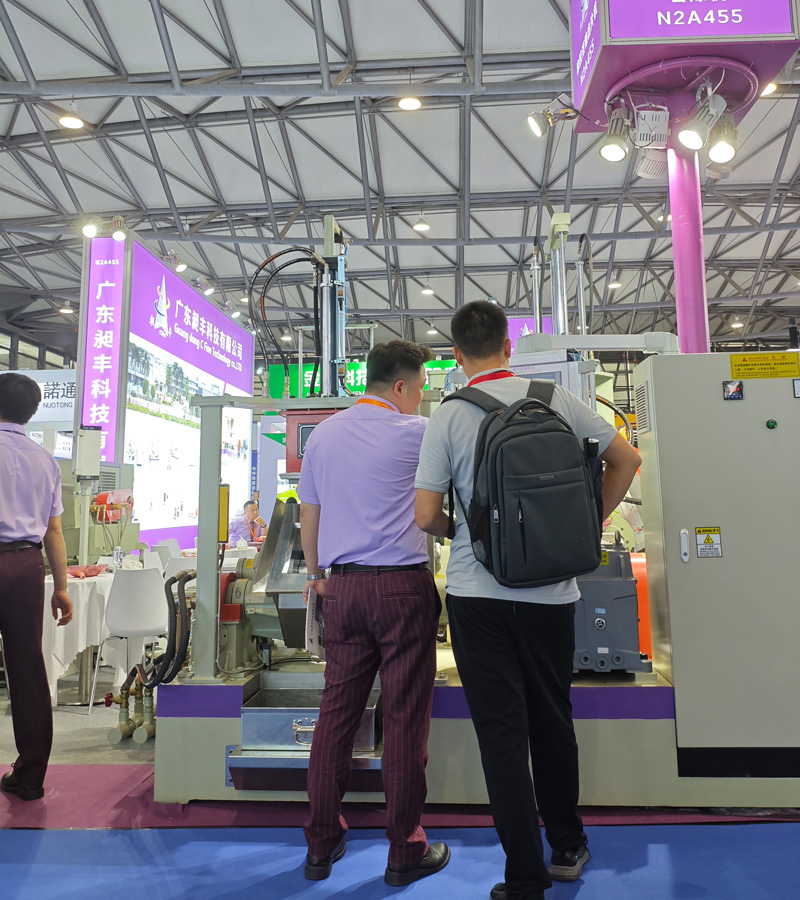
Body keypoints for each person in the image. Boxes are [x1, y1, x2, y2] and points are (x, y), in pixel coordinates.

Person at [415, 301, 642, 900]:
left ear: (456, 355)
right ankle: (568, 846)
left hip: (477, 595)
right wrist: (585, 525)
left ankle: (523, 876)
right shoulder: (557, 400)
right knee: (552, 719)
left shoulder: (449, 414)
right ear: (508, 347)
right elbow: (627, 460)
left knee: (502, 734)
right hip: (552, 594)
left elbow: (425, 514)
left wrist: (470, 533)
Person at [297, 340, 449, 886]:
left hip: (343, 586)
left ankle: (321, 844)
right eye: (421, 387)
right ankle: (404, 850)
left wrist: (317, 575)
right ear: (401, 386)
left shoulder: (323, 435)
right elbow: (437, 508)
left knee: (336, 716)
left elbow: (308, 513)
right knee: (405, 721)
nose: (422, 397)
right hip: (403, 588)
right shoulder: (420, 432)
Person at [0, 373, 73, 802]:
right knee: (28, 668)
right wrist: (60, 587)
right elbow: (54, 531)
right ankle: (29, 778)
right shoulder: (46, 461)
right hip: (28, 565)